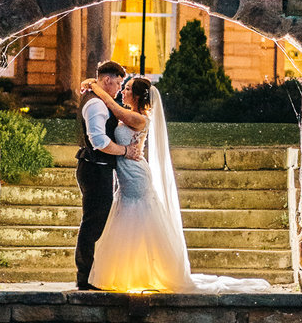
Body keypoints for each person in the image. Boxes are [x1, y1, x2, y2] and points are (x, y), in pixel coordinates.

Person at [81, 75, 271, 293]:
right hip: (126, 173)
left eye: (128, 88)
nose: (123, 91)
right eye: (123, 87)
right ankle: (134, 273)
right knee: (131, 221)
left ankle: (146, 273)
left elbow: (112, 106)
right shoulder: (131, 116)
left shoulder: (140, 119)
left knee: (134, 220)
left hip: (135, 175)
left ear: (137, 96)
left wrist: (94, 85)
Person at [74, 60, 142, 291]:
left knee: (97, 220)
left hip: (100, 167)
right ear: (107, 80)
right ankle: (85, 276)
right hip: (94, 168)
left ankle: (92, 273)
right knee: (93, 222)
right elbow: (99, 141)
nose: (119, 88)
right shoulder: (96, 105)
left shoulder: (100, 100)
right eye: (118, 83)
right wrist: (125, 151)